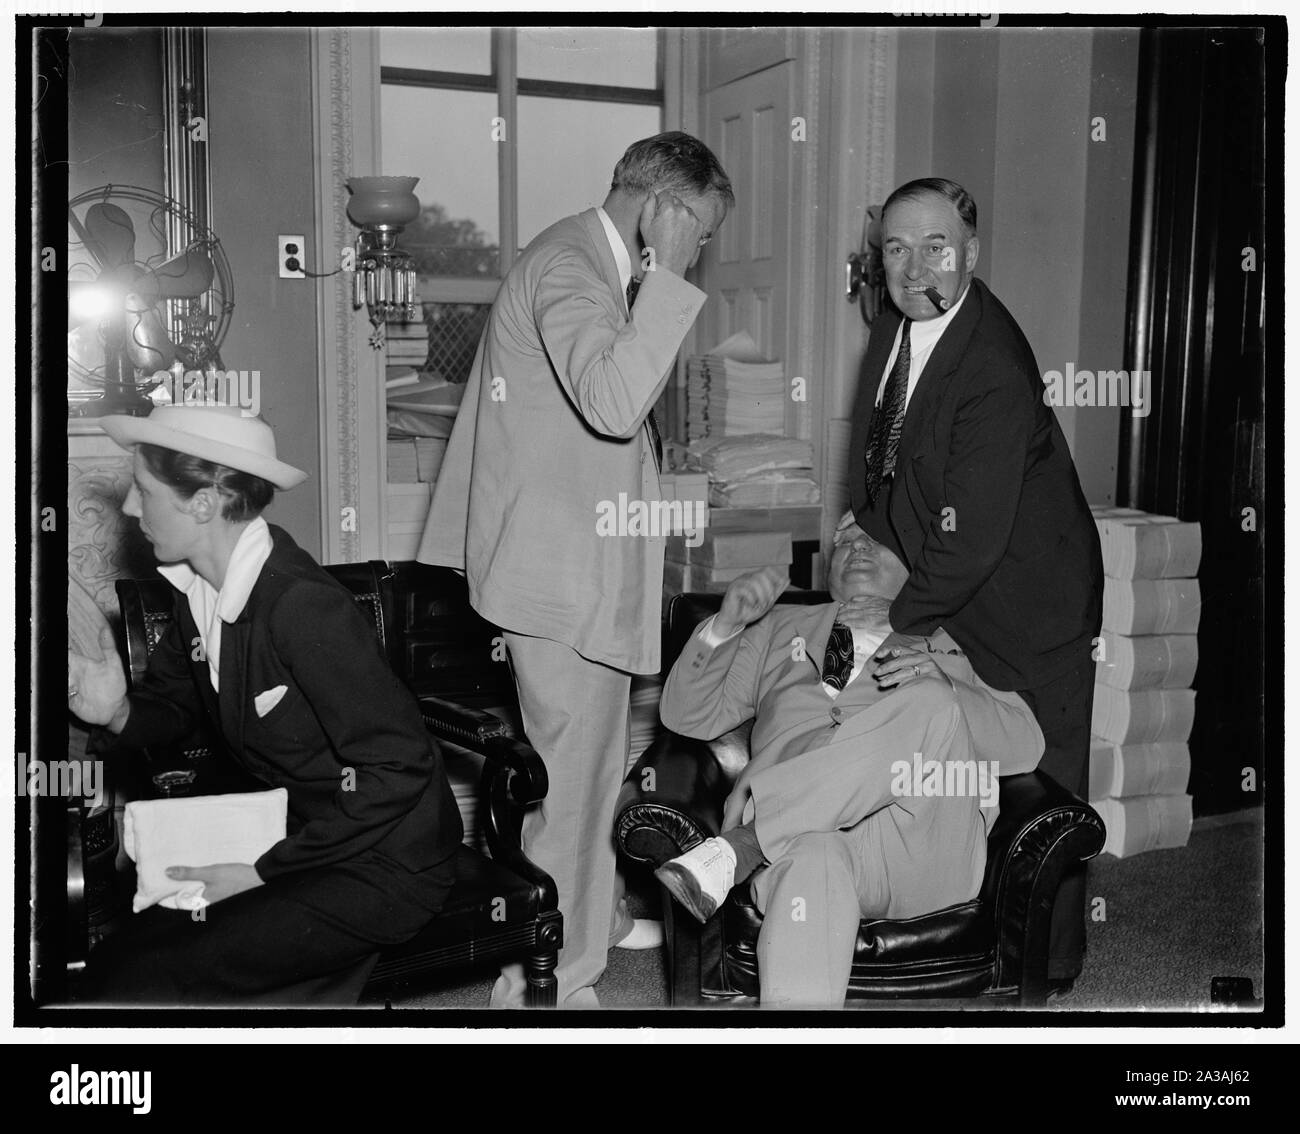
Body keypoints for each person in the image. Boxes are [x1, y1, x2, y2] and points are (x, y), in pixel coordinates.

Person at [419, 131, 733, 1008]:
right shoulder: (570, 264)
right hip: (556, 582)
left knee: (591, 776)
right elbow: (611, 401)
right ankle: (544, 984)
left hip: (572, 571)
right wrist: (670, 275)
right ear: (663, 207)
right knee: (571, 785)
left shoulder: (589, 265)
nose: (699, 250)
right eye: (696, 230)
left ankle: (572, 944)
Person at [67, 405, 463, 1004]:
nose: (128, 507)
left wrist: (259, 872)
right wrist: (117, 711)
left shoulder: (300, 606)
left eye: (144, 492)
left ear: (203, 504)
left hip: (385, 866)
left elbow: (399, 766)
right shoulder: (197, 589)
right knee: (130, 952)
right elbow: (175, 707)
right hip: (303, 838)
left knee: (153, 975)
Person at [843, 177, 1103, 987]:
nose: (913, 267)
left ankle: (1050, 974)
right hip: (958, 585)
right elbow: (879, 447)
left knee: (1044, 793)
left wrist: (897, 621)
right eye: (895, 247)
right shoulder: (897, 319)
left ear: (971, 253)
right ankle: (967, 945)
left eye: (935, 247)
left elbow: (973, 540)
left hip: (1034, 600)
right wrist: (866, 526)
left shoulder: (990, 365)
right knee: (962, 773)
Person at [654, 525, 1043, 1007]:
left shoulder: (953, 635)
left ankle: (745, 845)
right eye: (844, 538)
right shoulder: (778, 627)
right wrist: (725, 626)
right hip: (808, 844)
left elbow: (1026, 744)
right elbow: (684, 716)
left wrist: (949, 685)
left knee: (931, 701)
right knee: (813, 857)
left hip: (919, 842)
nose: (857, 545)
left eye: (876, 535)